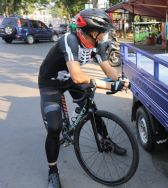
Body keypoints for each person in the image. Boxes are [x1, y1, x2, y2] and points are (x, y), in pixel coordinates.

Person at [38, 9, 129, 188]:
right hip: (50, 83)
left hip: (70, 79)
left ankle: (107, 140)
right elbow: (79, 77)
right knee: (55, 128)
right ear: (92, 32)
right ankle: (53, 171)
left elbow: (107, 68)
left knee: (91, 106)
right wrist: (110, 86)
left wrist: (120, 81)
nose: (105, 36)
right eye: (103, 32)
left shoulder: (98, 44)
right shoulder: (70, 40)